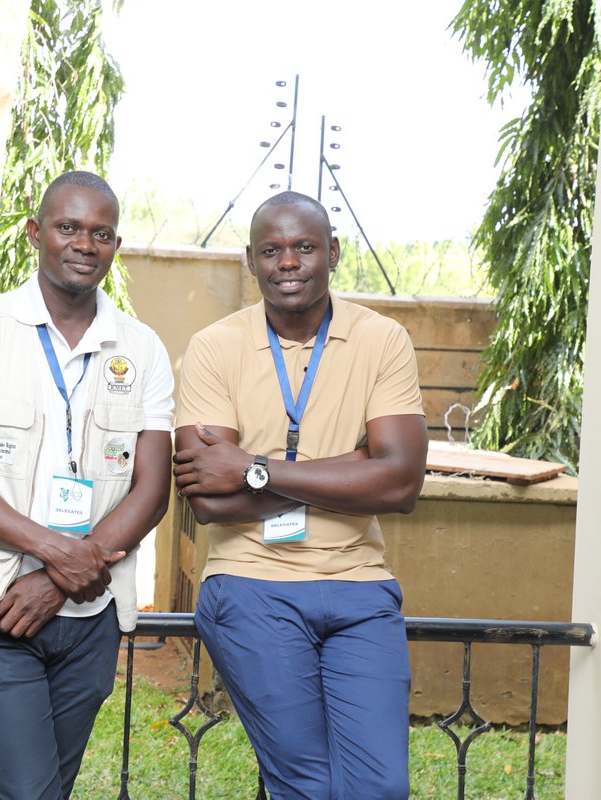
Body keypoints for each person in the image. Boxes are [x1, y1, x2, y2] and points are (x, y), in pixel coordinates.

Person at [0, 170, 173, 799]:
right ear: (36, 233)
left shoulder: (142, 351)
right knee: (31, 794)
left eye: (102, 233)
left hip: (91, 615)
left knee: (38, 790)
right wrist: (60, 553)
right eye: (68, 227)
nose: (85, 244)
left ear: (116, 246)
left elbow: (152, 489)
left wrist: (62, 576)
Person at [172, 191, 428, 800]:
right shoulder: (215, 347)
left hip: (360, 585)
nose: (289, 261)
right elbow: (207, 501)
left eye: (305, 247)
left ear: (332, 253)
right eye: (272, 250)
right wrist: (352, 471)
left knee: (380, 788)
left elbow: (401, 484)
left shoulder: (381, 340)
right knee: (308, 784)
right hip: (249, 580)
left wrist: (255, 469)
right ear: (251, 262)